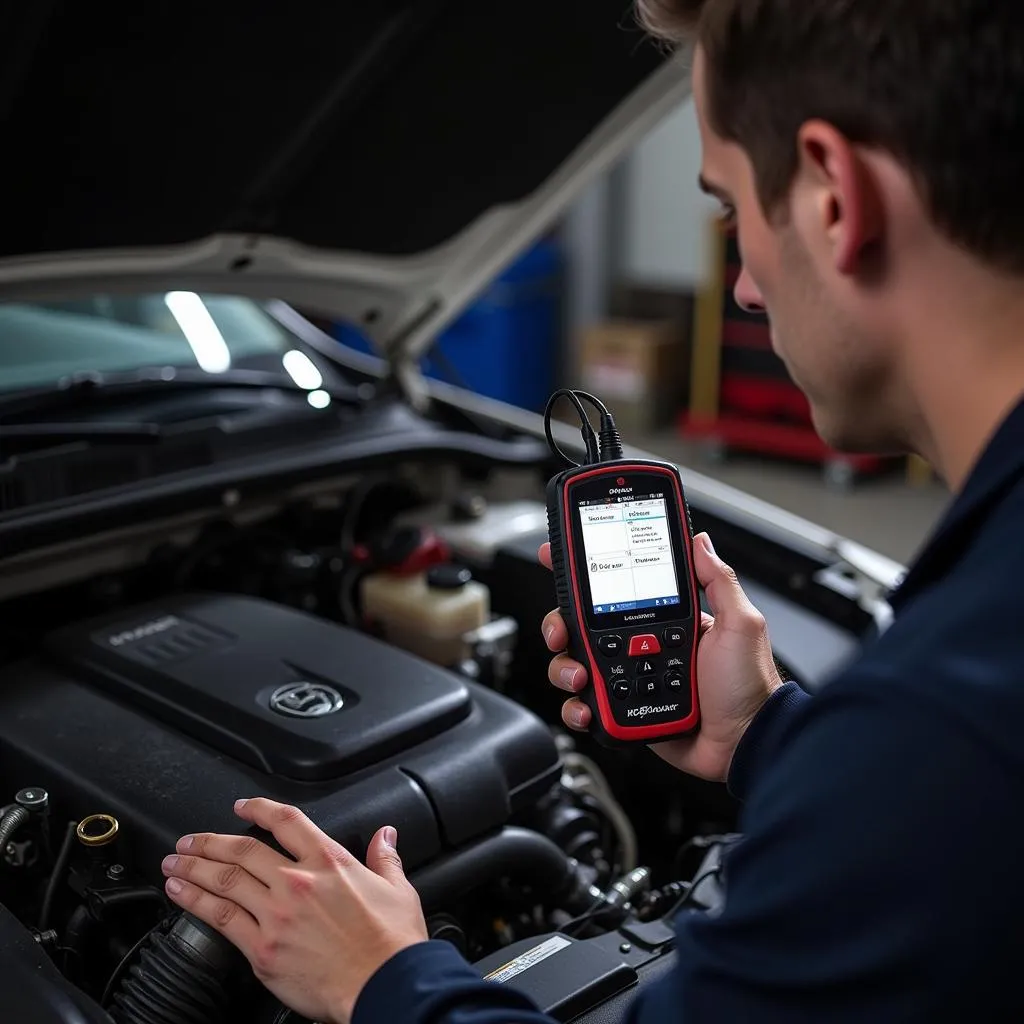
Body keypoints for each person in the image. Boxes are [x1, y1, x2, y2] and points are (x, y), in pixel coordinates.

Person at [156, 1, 1024, 1021]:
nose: (742, 284)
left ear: (834, 196)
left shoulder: (944, 720)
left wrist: (386, 978)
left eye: (732, 211)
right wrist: (766, 737)